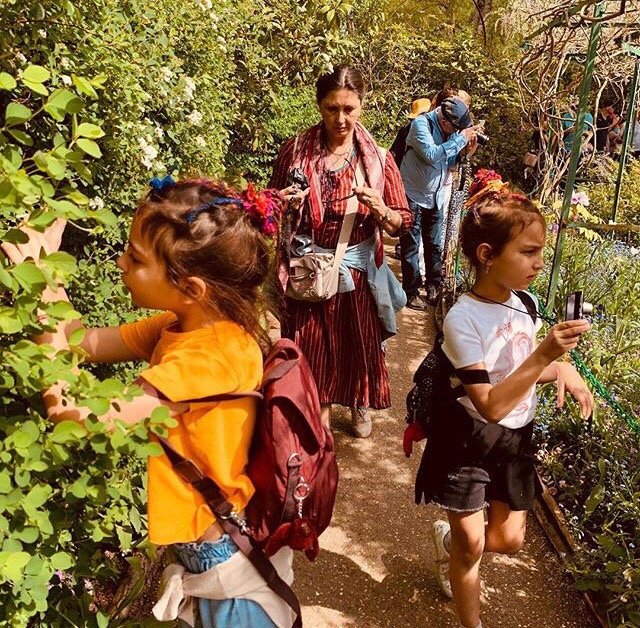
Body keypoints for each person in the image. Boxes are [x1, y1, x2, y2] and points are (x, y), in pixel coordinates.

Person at [1, 178, 294, 628]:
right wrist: (45, 271)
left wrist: (35, 294)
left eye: (136, 258)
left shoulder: (213, 357)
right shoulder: (190, 325)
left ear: (191, 288)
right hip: (210, 555)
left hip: (231, 578)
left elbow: (72, 414)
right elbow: (84, 342)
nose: (121, 262)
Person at [414, 186, 594, 628]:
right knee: (472, 548)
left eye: (541, 252)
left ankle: (449, 541)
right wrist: (546, 355)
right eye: (529, 252)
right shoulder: (462, 320)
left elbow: (515, 371)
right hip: (466, 440)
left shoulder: (524, 304)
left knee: (509, 540)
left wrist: (559, 369)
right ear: (487, 255)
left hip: (515, 439)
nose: (539, 263)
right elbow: (490, 404)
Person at [270, 65, 412, 438]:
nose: (341, 119)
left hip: (357, 274)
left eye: (349, 109)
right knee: (311, 348)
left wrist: (382, 210)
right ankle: (319, 419)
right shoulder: (295, 153)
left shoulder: (379, 160)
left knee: (356, 344)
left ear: (362, 105)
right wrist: (282, 202)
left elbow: (403, 222)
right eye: (332, 108)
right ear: (319, 106)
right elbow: (269, 204)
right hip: (309, 271)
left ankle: (358, 400)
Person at [399, 96, 478, 310]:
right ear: (444, 121)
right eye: (455, 129)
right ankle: (410, 292)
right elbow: (432, 155)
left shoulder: (449, 131)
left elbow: (449, 163)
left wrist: (466, 150)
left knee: (434, 244)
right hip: (413, 195)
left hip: (435, 197)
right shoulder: (420, 125)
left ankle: (433, 285)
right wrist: (460, 139)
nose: (456, 133)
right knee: (411, 246)